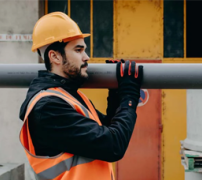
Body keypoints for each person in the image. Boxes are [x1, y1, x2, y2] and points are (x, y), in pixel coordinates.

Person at [19, 12, 143, 180]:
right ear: (54, 56)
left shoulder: (71, 97)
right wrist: (129, 94)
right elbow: (113, 145)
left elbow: (105, 131)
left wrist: (116, 93)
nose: (87, 57)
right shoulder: (48, 108)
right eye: (78, 50)